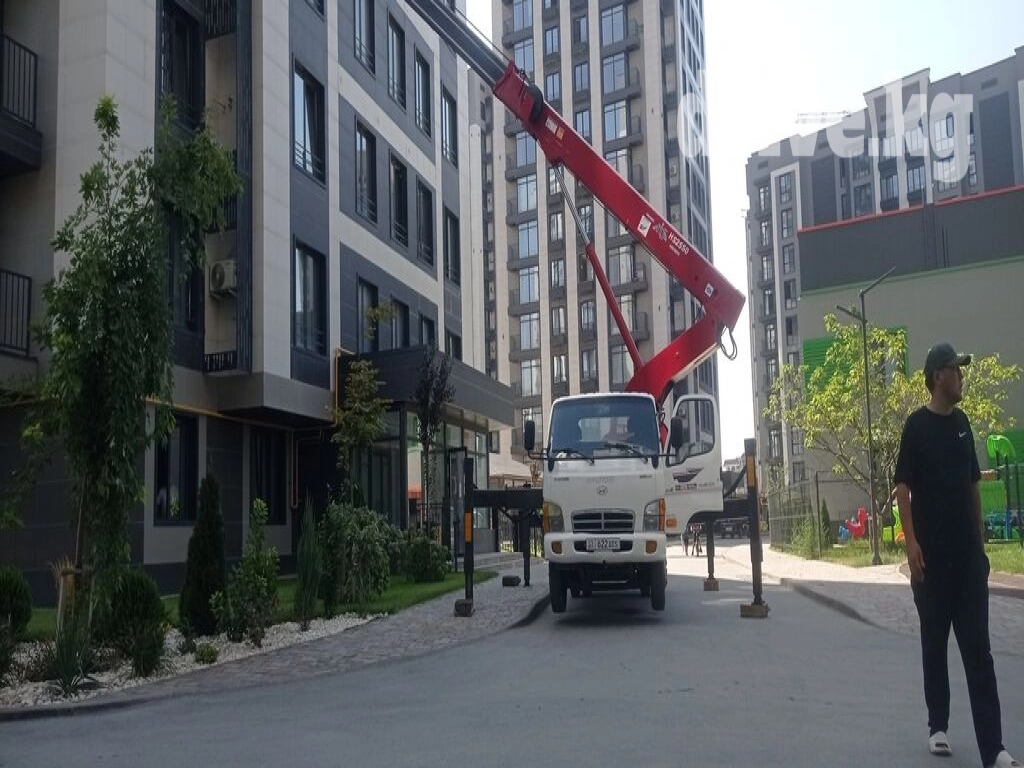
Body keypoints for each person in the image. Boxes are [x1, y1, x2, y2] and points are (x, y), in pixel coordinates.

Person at [893, 343, 1019, 768]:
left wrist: (980, 547)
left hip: (967, 562)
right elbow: (903, 488)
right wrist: (911, 543)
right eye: (956, 369)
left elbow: (972, 486)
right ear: (938, 376)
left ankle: (994, 749)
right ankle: (938, 725)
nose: (962, 376)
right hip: (931, 563)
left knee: (979, 652)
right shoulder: (916, 427)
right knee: (935, 645)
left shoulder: (963, 425)